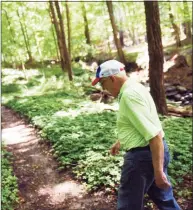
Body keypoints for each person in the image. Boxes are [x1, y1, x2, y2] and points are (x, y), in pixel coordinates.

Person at [92, 60, 180, 210]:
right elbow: (143, 122)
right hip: (154, 152)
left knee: (128, 205)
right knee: (165, 200)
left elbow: (154, 135)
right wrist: (121, 140)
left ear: (112, 78)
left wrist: (158, 172)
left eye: (102, 83)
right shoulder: (135, 87)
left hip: (142, 159)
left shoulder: (129, 95)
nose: (103, 89)